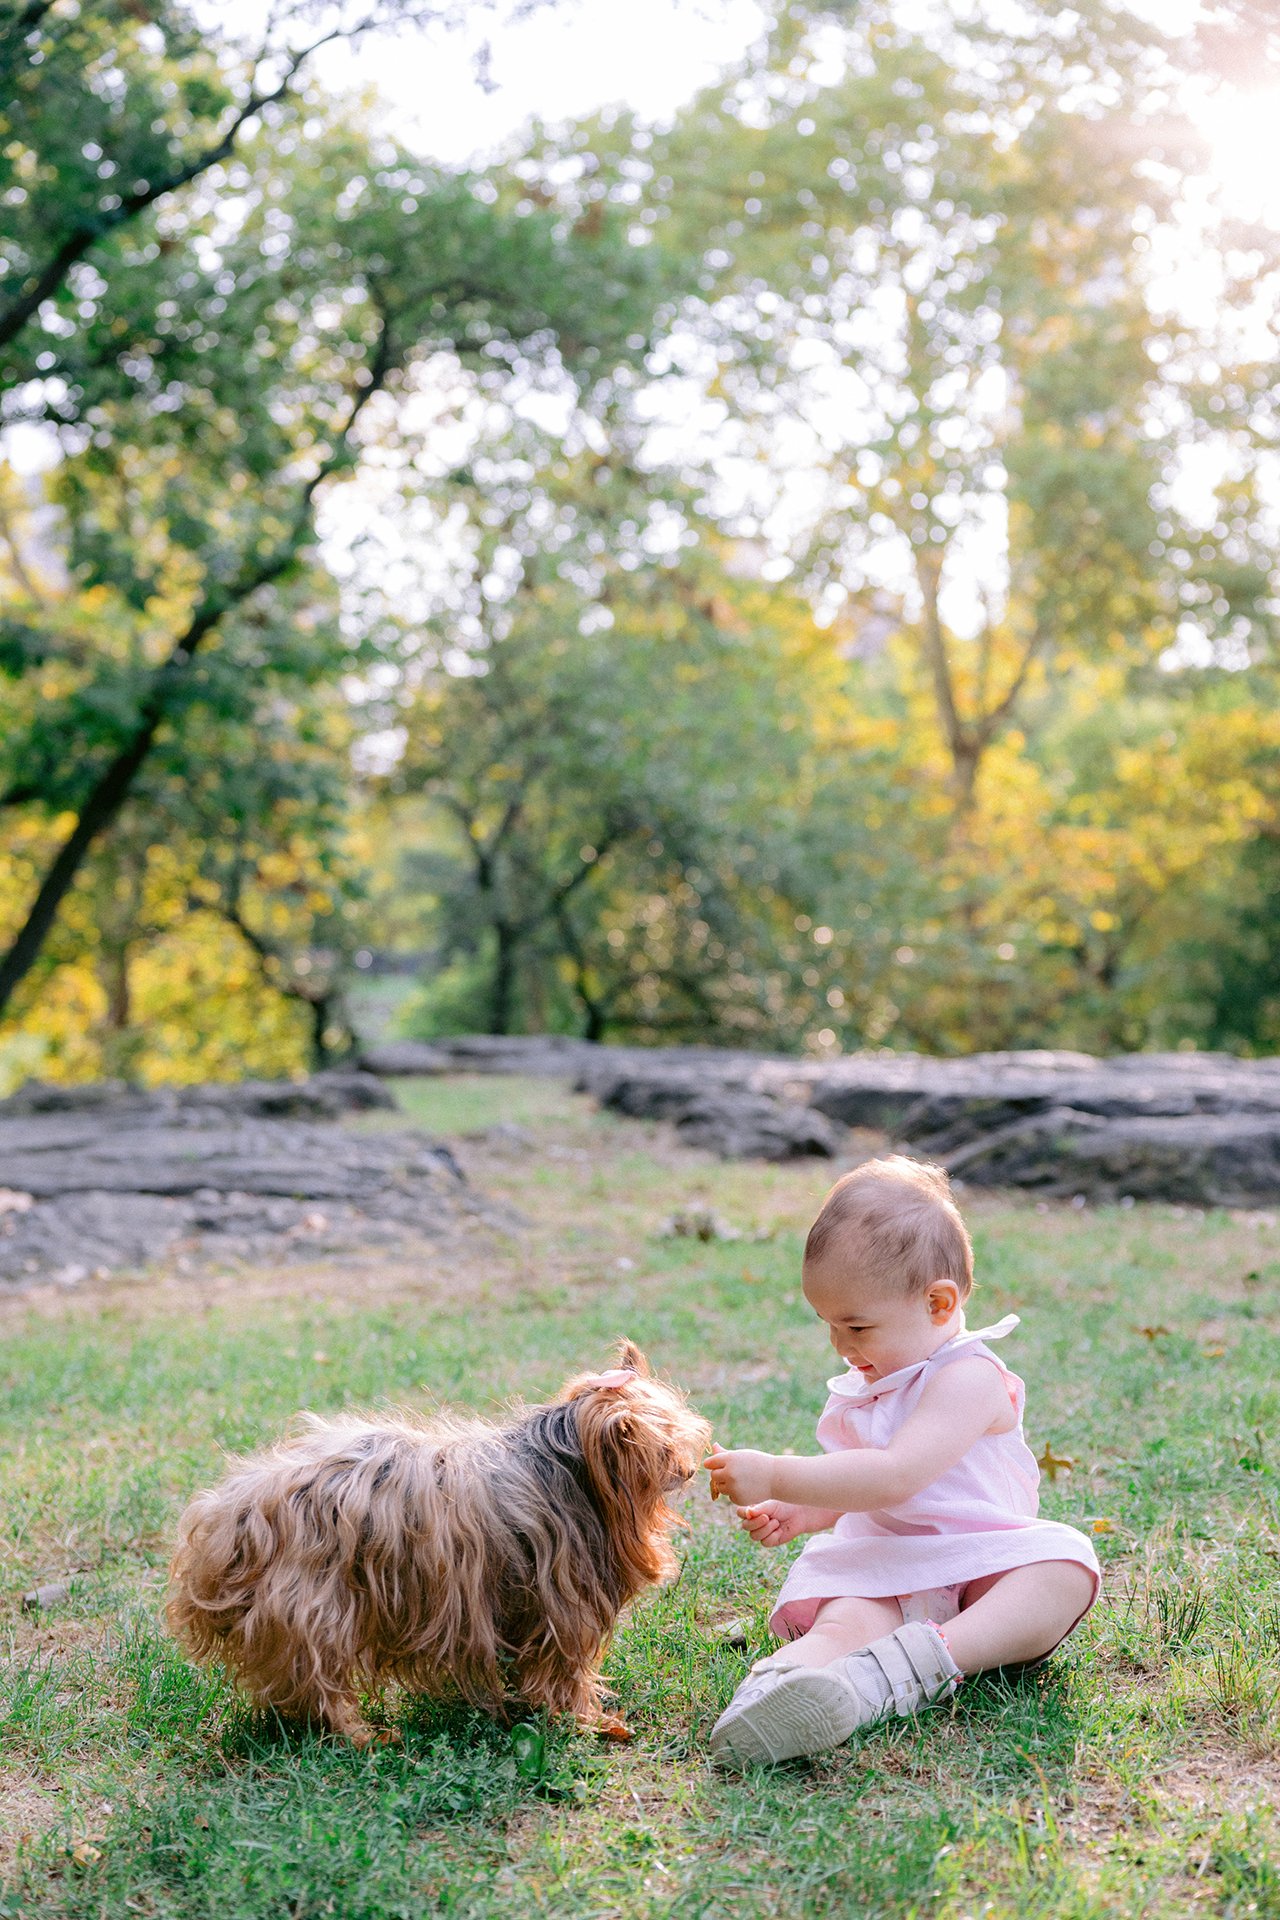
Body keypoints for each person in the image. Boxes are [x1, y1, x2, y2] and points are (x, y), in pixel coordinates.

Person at [704, 1155, 1100, 1767]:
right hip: (887, 1562)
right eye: (829, 1324)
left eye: (857, 1326)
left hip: (979, 1562)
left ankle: (903, 1668)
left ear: (939, 1304)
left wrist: (778, 1472)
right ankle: (769, 1694)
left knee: (1064, 1567)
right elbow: (860, 1483)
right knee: (842, 1625)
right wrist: (804, 1510)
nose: (840, 1344)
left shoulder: (971, 1376)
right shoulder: (878, 1378)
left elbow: (896, 1475)